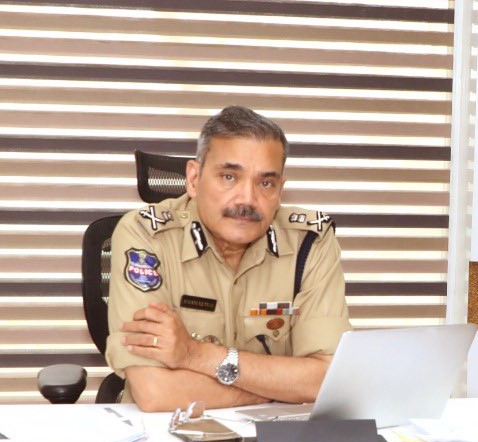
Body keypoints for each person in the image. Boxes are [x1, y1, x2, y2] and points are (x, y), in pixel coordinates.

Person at [105, 106, 351, 412]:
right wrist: (277, 389)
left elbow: (326, 380)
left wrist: (195, 355)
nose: (247, 199)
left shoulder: (310, 242)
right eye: (229, 176)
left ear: (280, 191)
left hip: (271, 439)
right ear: (193, 179)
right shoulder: (145, 236)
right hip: (168, 437)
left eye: (265, 183)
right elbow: (156, 392)